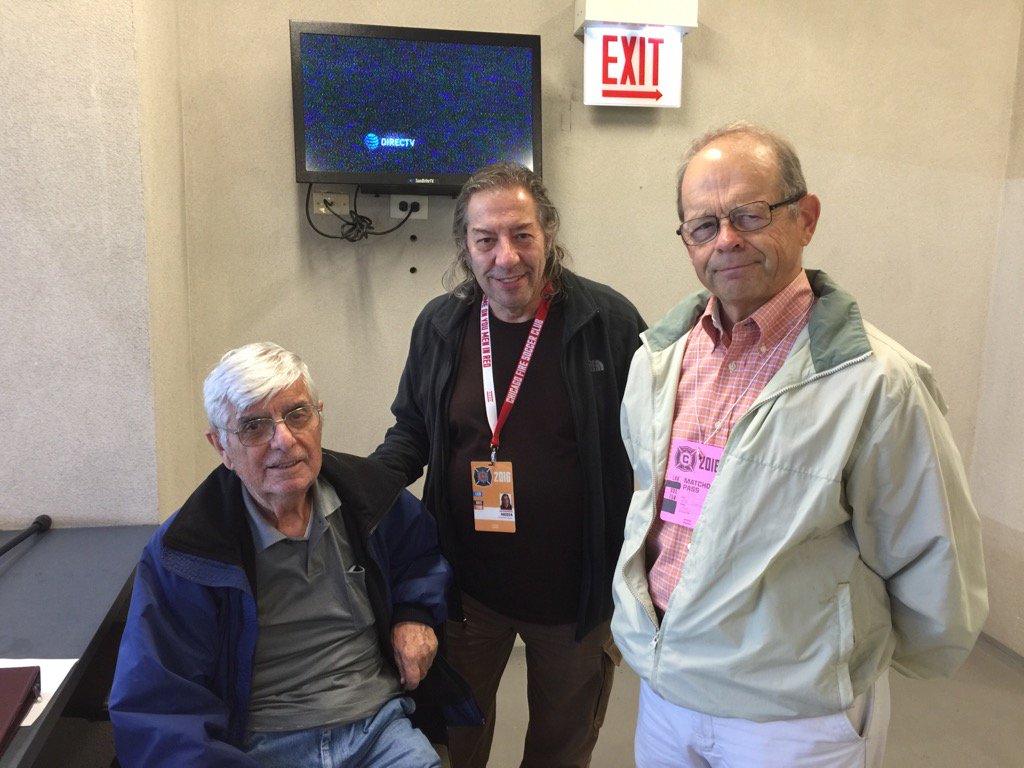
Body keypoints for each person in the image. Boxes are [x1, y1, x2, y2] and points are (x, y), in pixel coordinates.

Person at [611, 122, 988, 768]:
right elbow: (653, 511)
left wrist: (848, 661)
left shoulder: (877, 383)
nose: (725, 240)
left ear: (805, 218)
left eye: (749, 215)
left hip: (791, 719)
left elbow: (933, 556)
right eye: (703, 226)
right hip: (666, 689)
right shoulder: (657, 359)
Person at [372, 162, 646, 767]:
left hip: (576, 601)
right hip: (467, 593)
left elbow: (652, 449)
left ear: (548, 233)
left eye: (522, 235)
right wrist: (355, 490)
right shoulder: (441, 326)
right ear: (465, 248)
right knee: (453, 743)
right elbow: (411, 433)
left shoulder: (610, 324)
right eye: (486, 239)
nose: (506, 257)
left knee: (559, 751)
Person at [110, 342, 478, 768]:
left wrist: (414, 612)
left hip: (377, 728)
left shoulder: (374, 497)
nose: (284, 440)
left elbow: (420, 556)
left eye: (297, 414)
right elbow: (158, 708)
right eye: (253, 427)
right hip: (258, 746)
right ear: (220, 447)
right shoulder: (185, 552)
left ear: (319, 417)